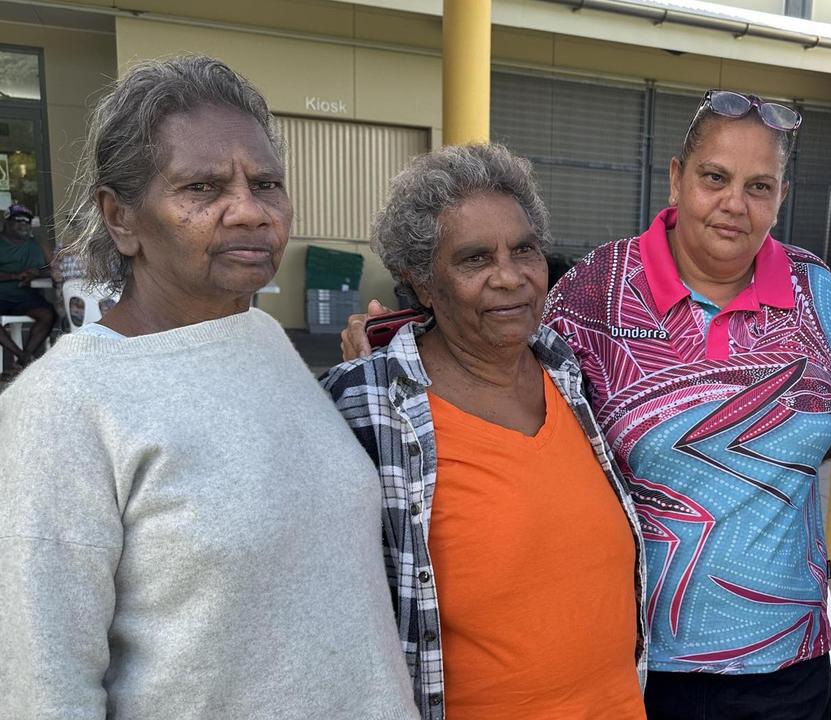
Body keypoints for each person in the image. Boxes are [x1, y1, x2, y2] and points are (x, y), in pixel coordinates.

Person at [342, 92, 831, 719]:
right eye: (714, 177)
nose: (733, 204)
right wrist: (389, 340)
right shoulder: (596, 291)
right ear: (675, 177)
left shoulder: (816, 291)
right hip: (652, 666)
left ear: (781, 195)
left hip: (790, 661)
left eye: (759, 185)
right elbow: (492, 336)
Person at [0, 56, 417, 719]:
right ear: (121, 217)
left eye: (267, 183)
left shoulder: (264, 342)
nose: (249, 211)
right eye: (202, 188)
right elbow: (41, 687)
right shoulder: (63, 404)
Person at [321, 143, 648, 720]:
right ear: (420, 281)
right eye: (475, 259)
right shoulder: (365, 407)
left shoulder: (570, 374)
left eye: (525, 250)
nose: (511, 277)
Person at [0, 202, 56, 369]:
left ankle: (22, 362)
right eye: (19, 220)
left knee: (48, 315)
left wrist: (36, 273)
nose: (24, 224)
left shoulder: (34, 245)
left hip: (24, 297)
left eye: (27, 221)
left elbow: (51, 270)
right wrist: (13, 275)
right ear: (7, 223)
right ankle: (22, 356)